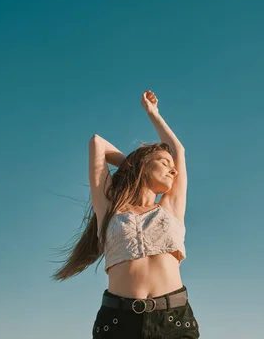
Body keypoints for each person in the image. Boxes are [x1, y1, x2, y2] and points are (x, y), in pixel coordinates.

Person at [52, 90, 200, 338]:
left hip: (173, 321)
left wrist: (153, 114)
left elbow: (179, 151)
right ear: (143, 164)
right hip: (119, 322)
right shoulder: (110, 208)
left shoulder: (171, 207)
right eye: (164, 163)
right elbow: (97, 143)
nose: (173, 171)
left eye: (173, 169)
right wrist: (131, 167)